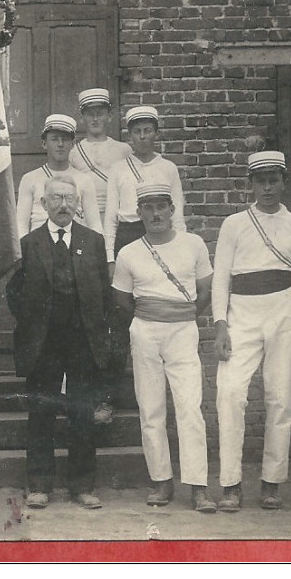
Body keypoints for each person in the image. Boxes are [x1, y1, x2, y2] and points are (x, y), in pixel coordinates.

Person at [211, 151, 291, 512]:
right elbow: (221, 278)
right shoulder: (234, 224)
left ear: (284, 181)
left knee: (280, 397)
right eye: (261, 180)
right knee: (230, 392)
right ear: (251, 184)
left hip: (285, 311)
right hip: (242, 311)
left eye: (274, 179)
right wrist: (220, 324)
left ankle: (271, 483)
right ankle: (230, 484)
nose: (268, 186)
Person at [6, 174, 111, 510]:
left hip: (82, 342)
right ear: (43, 204)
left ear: (78, 203)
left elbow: (103, 295)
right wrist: (35, 324)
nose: (64, 205)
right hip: (44, 343)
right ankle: (38, 485)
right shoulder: (28, 244)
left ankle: (82, 485)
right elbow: (14, 293)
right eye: (56, 199)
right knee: (41, 413)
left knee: (82, 414)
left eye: (69, 198)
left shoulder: (93, 241)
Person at [112, 183, 217, 513]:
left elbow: (204, 291)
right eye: (148, 207)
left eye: (161, 206)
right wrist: (152, 317)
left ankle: (198, 486)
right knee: (151, 409)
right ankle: (161, 481)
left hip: (183, 331)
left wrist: (179, 316)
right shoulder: (129, 253)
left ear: (172, 209)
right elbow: (122, 298)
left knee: (189, 407)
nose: (155, 213)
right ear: (139, 212)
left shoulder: (193, 244)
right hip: (145, 331)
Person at [98, 105, 187, 425]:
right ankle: (107, 398)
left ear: (156, 134)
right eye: (137, 131)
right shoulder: (119, 169)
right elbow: (109, 217)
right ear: (130, 136)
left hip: (161, 238)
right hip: (128, 237)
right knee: (119, 323)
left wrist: (178, 255)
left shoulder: (169, 168)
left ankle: (160, 398)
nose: (143, 136)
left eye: (148, 130)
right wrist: (110, 258)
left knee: (158, 316)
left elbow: (178, 216)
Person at [16, 114, 102, 237]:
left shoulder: (84, 180)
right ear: (44, 143)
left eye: (65, 139)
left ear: (72, 144)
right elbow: (21, 224)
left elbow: (95, 225)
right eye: (54, 139)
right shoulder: (30, 179)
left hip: (74, 247)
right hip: (39, 247)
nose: (60, 144)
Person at [69, 88, 132, 220]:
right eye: (90, 114)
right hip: (85, 216)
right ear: (81, 118)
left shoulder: (123, 150)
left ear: (109, 117)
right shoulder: (74, 152)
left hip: (116, 215)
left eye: (100, 114)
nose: (95, 119)